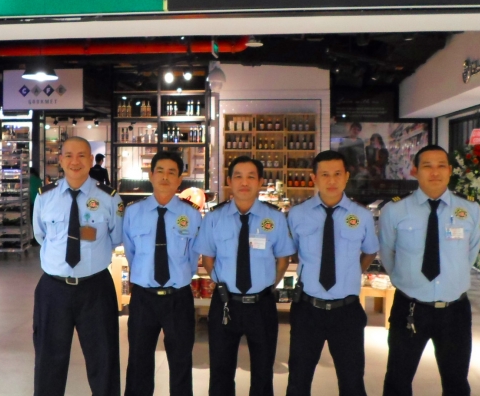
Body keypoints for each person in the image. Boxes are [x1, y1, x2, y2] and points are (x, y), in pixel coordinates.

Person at [378, 145, 480, 396]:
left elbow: (470, 254)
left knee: (456, 382)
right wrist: (409, 282)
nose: (435, 172)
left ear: (450, 170)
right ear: (415, 171)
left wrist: (450, 279)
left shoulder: (469, 209)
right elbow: (387, 254)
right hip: (410, 308)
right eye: (427, 166)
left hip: (455, 311)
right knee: (397, 380)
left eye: (441, 166)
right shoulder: (394, 210)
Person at [194, 156, 294, 396]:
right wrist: (221, 283)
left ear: (260, 182)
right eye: (238, 176)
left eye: (251, 177)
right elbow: (208, 258)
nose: (244, 182)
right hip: (225, 303)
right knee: (220, 371)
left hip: (262, 304)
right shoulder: (215, 218)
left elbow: (283, 259)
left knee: (263, 372)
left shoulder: (275, 218)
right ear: (229, 181)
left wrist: (268, 284)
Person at [31, 137, 124, 396]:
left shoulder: (109, 198)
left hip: (96, 288)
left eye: (82, 155)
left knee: (103, 359)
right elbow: (40, 235)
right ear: (60, 160)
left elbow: (116, 237)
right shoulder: (45, 197)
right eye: (69, 155)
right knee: (48, 360)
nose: (75, 161)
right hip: (53, 289)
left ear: (91, 160)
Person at [285, 150, 378, 396]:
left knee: (352, 382)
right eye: (325, 174)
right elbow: (293, 252)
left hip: (346, 311)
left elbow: (370, 251)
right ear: (314, 178)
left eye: (337, 174)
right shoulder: (297, 214)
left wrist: (352, 272)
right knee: (298, 381)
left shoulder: (361, 215)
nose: (332, 180)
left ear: (346, 176)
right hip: (308, 310)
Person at [123, 151, 202, 396]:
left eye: (171, 173)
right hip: (143, 297)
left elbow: (193, 257)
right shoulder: (133, 213)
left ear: (180, 179)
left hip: (178, 297)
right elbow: (131, 253)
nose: (165, 177)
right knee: (139, 361)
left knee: (181, 362)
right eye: (160, 171)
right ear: (151, 175)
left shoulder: (191, 215)